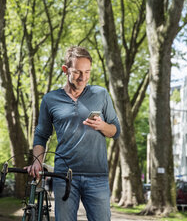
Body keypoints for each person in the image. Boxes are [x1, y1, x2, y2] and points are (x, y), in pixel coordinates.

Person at [26, 46, 121, 221]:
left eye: (87, 72)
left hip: (97, 176)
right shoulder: (50, 99)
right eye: (77, 72)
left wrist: (101, 126)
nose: (83, 77)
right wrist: (37, 163)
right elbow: (41, 134)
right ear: (65, 70)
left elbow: (116, 130)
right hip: (64, 177)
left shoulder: (101, 94)